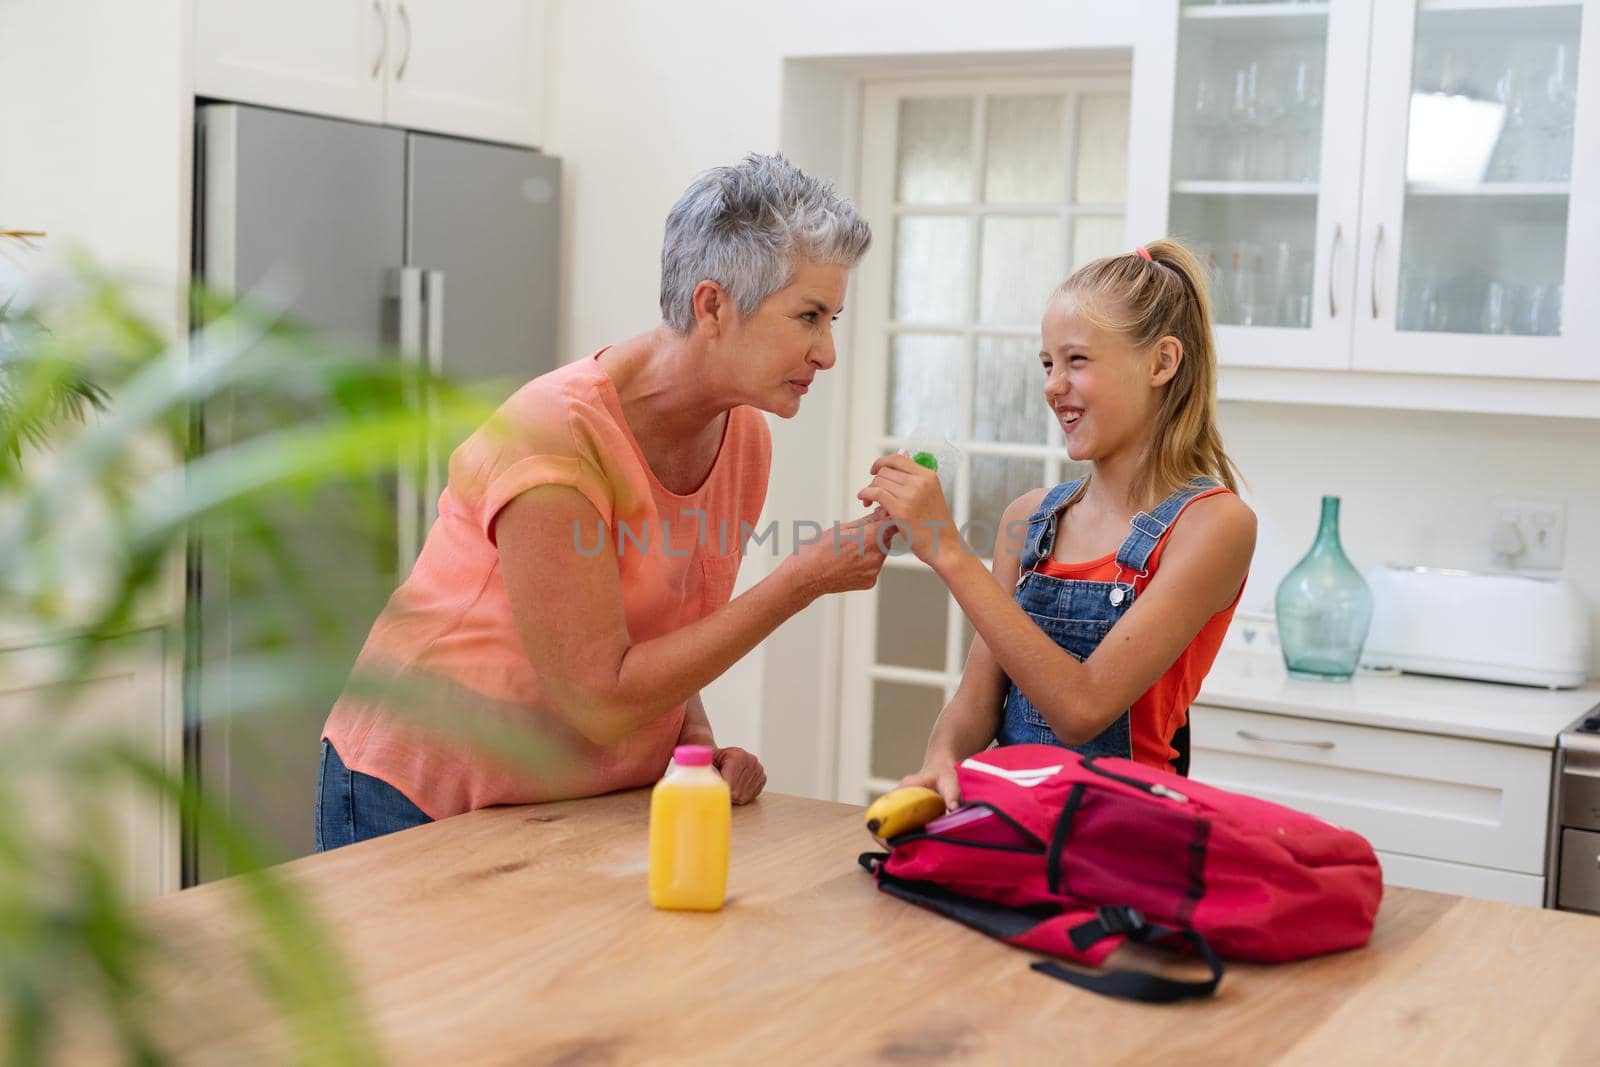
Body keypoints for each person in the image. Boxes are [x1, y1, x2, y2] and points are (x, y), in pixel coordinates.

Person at [317, 153, 887, 849]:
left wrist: (694, 744)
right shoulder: (553, 440)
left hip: (572, 800)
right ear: (713, 306)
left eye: (832, 319)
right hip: (425, 790)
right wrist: (801, 580)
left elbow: (663, 624)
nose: (827, 352)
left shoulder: (743, 436)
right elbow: (599, 697)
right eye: (809, 316)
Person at [857, 240, 1256, 809]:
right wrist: (941, 758)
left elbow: (1081, 709)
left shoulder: (1214, 525)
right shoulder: (1030, 519)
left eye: (1077, 361)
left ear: (1161, 363)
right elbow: (974, 707)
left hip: (1124, 835)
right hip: (1009, 819)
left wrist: (947, 550)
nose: (1052, 385)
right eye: (1047, 364)